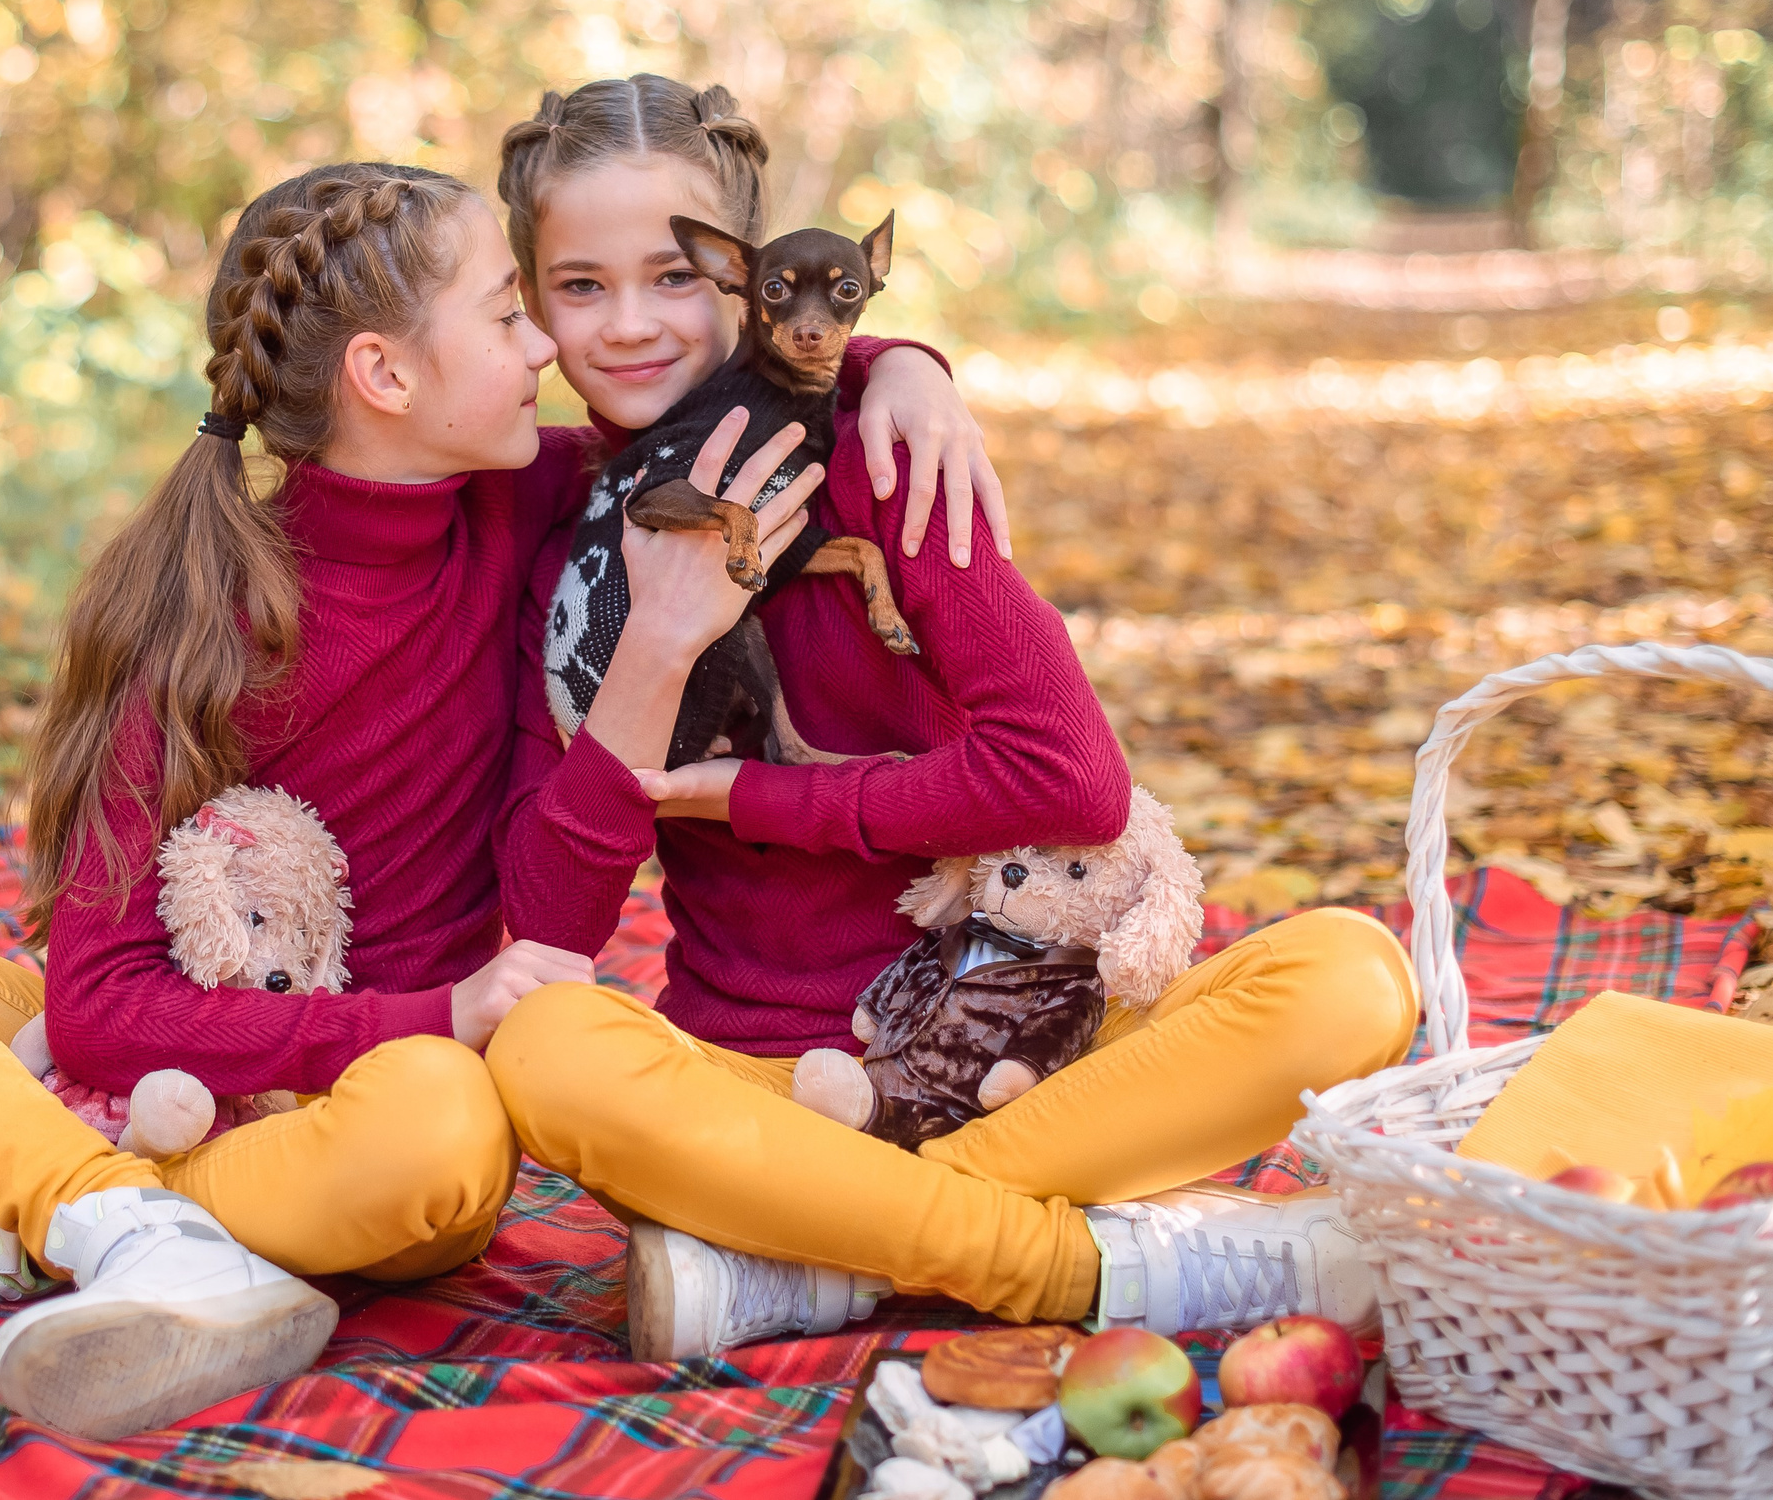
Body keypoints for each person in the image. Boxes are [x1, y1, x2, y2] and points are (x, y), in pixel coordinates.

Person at [0, 159, 991, 1440]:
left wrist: (902, 369)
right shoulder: (199, 616)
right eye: (506, 312)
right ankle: (101, 1219)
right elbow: (95, 1011)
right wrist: (445, 1008)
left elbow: (761, 387)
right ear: (385, 375)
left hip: (375, 1104)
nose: (545, 341)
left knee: (443, 1133)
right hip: (155, 1055)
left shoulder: (542, 507)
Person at [480, 74, 1424, 1360]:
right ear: (531, 304)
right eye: (580, 285)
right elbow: (546, 917)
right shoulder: (561, 538)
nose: (632, 324)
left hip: (1015, 1034)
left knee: (1350, 976)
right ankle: (1078, 1261)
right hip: (761, 1084)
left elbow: (1072, 781)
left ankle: (835, 1257)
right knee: (545, 1047)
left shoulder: (889, 454)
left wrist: (767, 795)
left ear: (753, 278)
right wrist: (651, 641)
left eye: (676, 277)